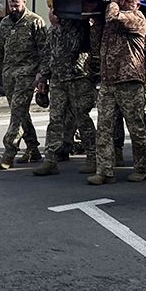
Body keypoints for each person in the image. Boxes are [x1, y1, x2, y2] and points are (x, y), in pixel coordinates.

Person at [89, 0, 146, 185]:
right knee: (104, 128)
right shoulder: (110, 20)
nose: (124, 4)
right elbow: (98, 35)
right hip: (109, 81)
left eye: (128, 1)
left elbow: (114, 18)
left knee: (136, 127)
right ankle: (105, 170)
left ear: (137, 5)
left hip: (129, 82)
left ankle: (142, 167)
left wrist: (113, 2)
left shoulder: (137, 18)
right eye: (122, 0)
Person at [33, 11, 97, 176]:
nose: (52, 14)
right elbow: (47, 55)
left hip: (78, 78)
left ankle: (93, 156)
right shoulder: (52, 31)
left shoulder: (78, 27)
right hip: (58, 79)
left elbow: (74, 47)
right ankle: (50, 159)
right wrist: (43, 76)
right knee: (55, 120)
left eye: (55, 11)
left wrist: (64, 25)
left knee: (81, 117)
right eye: (51, 11)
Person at [0, 0, 47, 170]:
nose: (13, 9)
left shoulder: (35, 21)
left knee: (17, 112)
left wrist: (42, 74)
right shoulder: (5, 23)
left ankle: (9, 152)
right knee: (20, 112)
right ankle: (33, 148)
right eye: (11, 6)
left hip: (28, 74)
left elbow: (44, 51)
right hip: (9, 73)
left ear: (24, 2)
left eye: (16, 5)